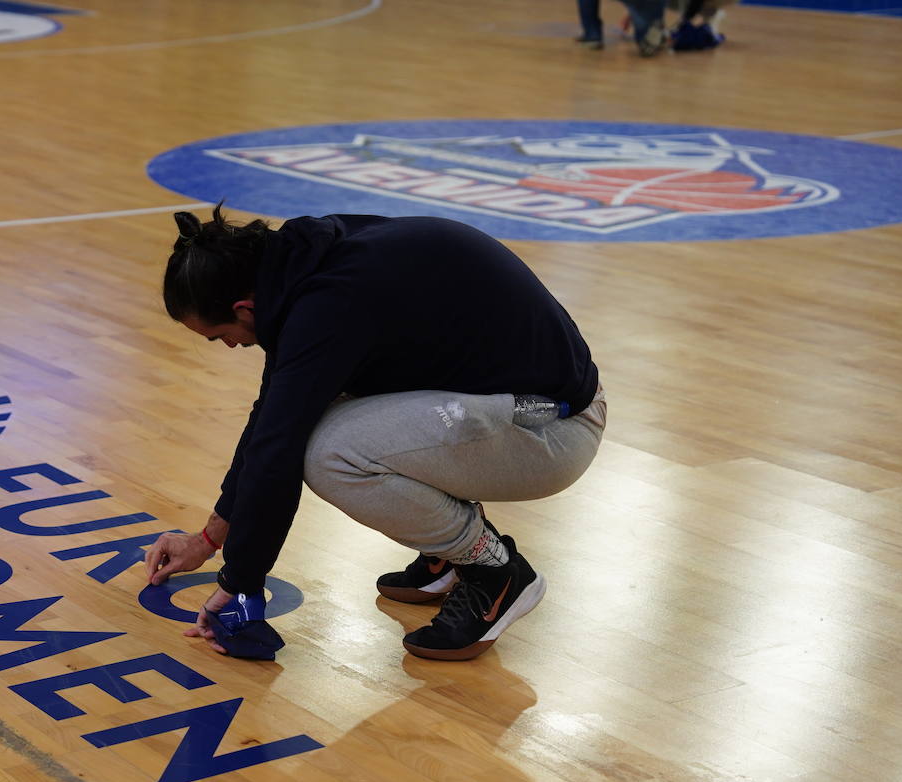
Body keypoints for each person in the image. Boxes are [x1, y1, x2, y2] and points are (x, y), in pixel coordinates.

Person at [143, 206, 607, 662]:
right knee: (314, 413)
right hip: (506, 403)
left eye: (219, 334)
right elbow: (272, 416)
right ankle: (443, 555)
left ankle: (495, 572)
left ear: (243, 307)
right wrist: (209, 539)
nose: (230, 345)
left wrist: (240, 584)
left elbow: (278, 447)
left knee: (330, 453)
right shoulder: (306, 262)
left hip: (553, 429)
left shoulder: (330, 303)